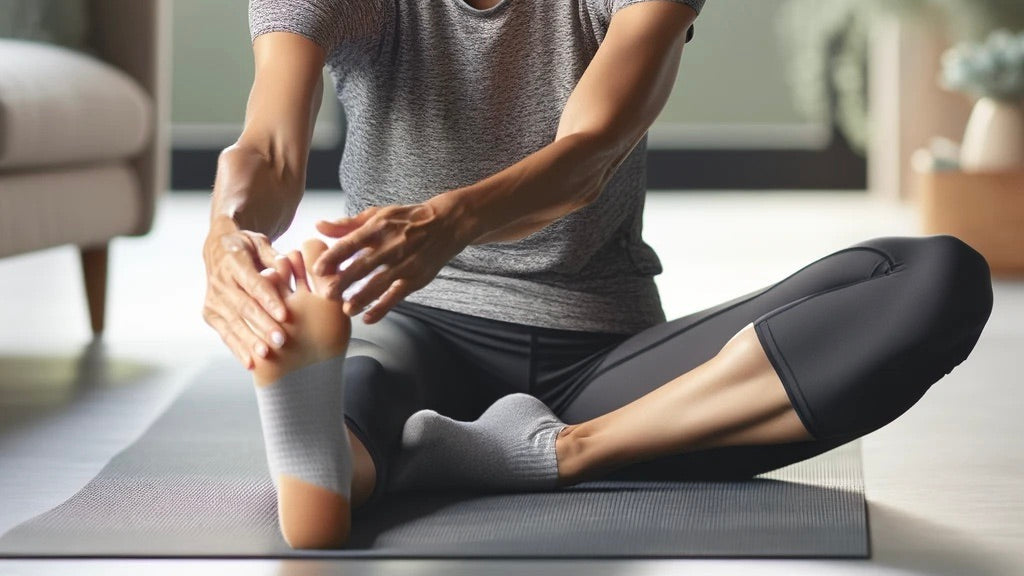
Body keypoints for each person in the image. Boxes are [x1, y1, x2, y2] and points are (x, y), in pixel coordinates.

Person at [202, 0, 993, 549]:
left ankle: (564, 450)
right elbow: (269, 152)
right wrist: (226, 235)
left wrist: (448, 221)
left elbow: (588, 151)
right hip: (413, 323)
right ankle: (333, 455)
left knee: (933, 279)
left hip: (604, 361)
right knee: (363, 387)